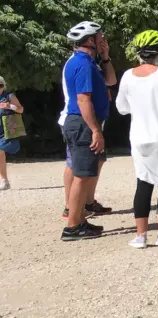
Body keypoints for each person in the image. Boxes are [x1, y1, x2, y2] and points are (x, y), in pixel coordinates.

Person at [116, 31, 158, 248]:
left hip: (140, 136)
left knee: (143, 183)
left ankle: (140, 236)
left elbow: (122, 107)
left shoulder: (128, 76)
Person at [61, 20, 117, 240]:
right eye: (100, 37)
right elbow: (83, 99)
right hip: (82, 123)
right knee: (82, 176)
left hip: (82, 123)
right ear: (90, 40)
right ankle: (72, 227)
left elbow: (111, 80)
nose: (103, 39)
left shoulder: (89, 62)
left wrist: (105, 56)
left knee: (83, 174)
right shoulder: (82, 64)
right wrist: (95, 129)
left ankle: (80, 220)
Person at [0, 76, 25, 190]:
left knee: (0, 152)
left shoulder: (9, 96)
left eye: (1, 86)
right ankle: (4, 180)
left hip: (6, 129)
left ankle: (4, 180)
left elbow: (20, 110)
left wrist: (10, 106)